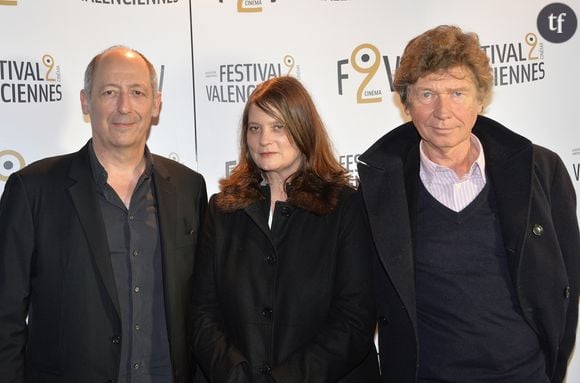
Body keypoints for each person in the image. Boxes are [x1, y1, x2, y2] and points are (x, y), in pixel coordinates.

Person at [357, 25, 580, 383]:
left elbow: (565, 284)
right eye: (427, 93)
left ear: (481, 99)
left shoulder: (541, 170)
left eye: (457, 92)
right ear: (406, 102)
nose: (443, 111)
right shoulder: (380, 188)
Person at [0, 46, 207, 383]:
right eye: (110, 92)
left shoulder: (189, 188)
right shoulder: (33, 189)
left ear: (155, 103)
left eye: (137, 92)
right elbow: (5, 316)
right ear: (86, 101)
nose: (124, 106)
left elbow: (202, 305)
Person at [191, 76, 378, 383]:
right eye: (255, 128)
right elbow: (202, 313)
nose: (264, 139)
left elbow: (354, 319)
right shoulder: (222, 210)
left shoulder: (344, 206)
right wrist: (235, 376)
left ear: (303, 128)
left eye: (278, 126)